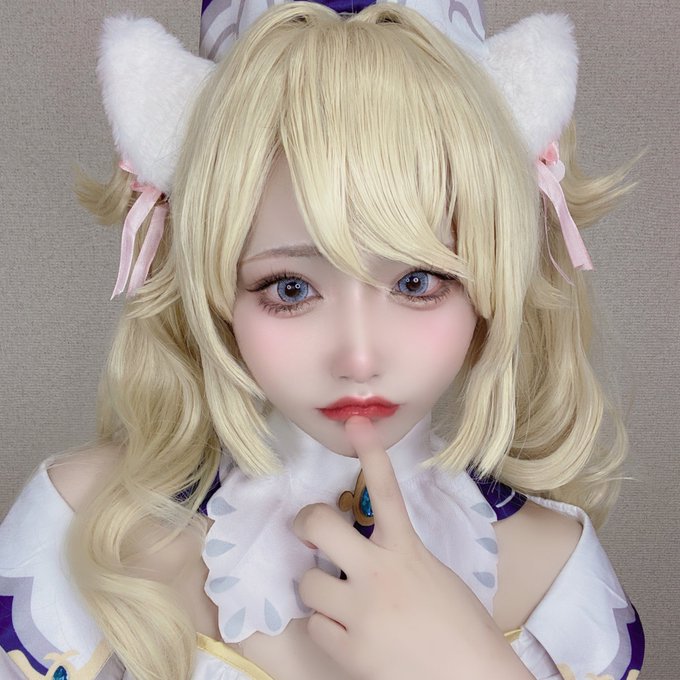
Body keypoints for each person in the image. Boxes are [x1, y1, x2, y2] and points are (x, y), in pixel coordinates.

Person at [0, 1, 645, 679]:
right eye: (289, 289)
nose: (358, 356)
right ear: (213, 291)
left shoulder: (555, 573)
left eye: (418, 282)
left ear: (492, 286)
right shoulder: (80, 530)